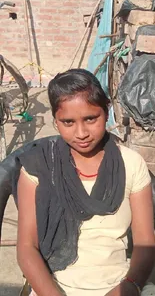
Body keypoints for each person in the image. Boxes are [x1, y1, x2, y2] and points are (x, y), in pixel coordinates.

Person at [16, 69, 155, 296]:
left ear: (107, 110)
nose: (81, 133)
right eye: (68, 122)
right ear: (55, 121)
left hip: (119, 284)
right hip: (54, 286)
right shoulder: (38, 167)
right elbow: (26, 248)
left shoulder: (131, 164)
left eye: (91, 119)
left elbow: (145, 242)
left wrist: (131, 283)